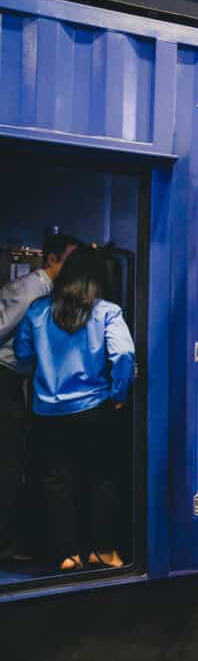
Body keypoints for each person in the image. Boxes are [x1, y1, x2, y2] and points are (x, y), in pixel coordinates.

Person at [14, 245, 135, 572]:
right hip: (94, 408)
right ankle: (103, 551)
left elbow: (23, 356)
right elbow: (124, 355)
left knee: (56, 482)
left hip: (47, 413)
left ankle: (66, 555)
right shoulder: (107, 311)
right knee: (103, 478)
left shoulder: (38, 310)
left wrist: (45, 374)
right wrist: (119, 393)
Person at [0, 234, 80, 561]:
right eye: (70, 259)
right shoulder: (31, 291)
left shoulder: (47, 292)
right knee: (9, 460)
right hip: (5, 376)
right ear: (51, 259)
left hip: (14, 378)